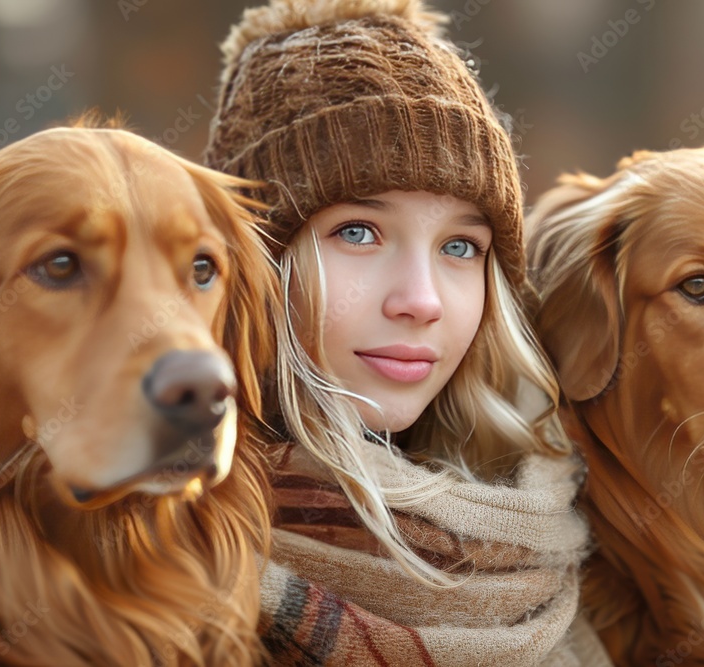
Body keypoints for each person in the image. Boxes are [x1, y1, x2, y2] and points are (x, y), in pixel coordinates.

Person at [205, 1, 609, 664]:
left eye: (459, 247)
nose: (421, 301)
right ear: (258, 263)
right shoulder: (157, 562)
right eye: (357, 233)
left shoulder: (553, 552)